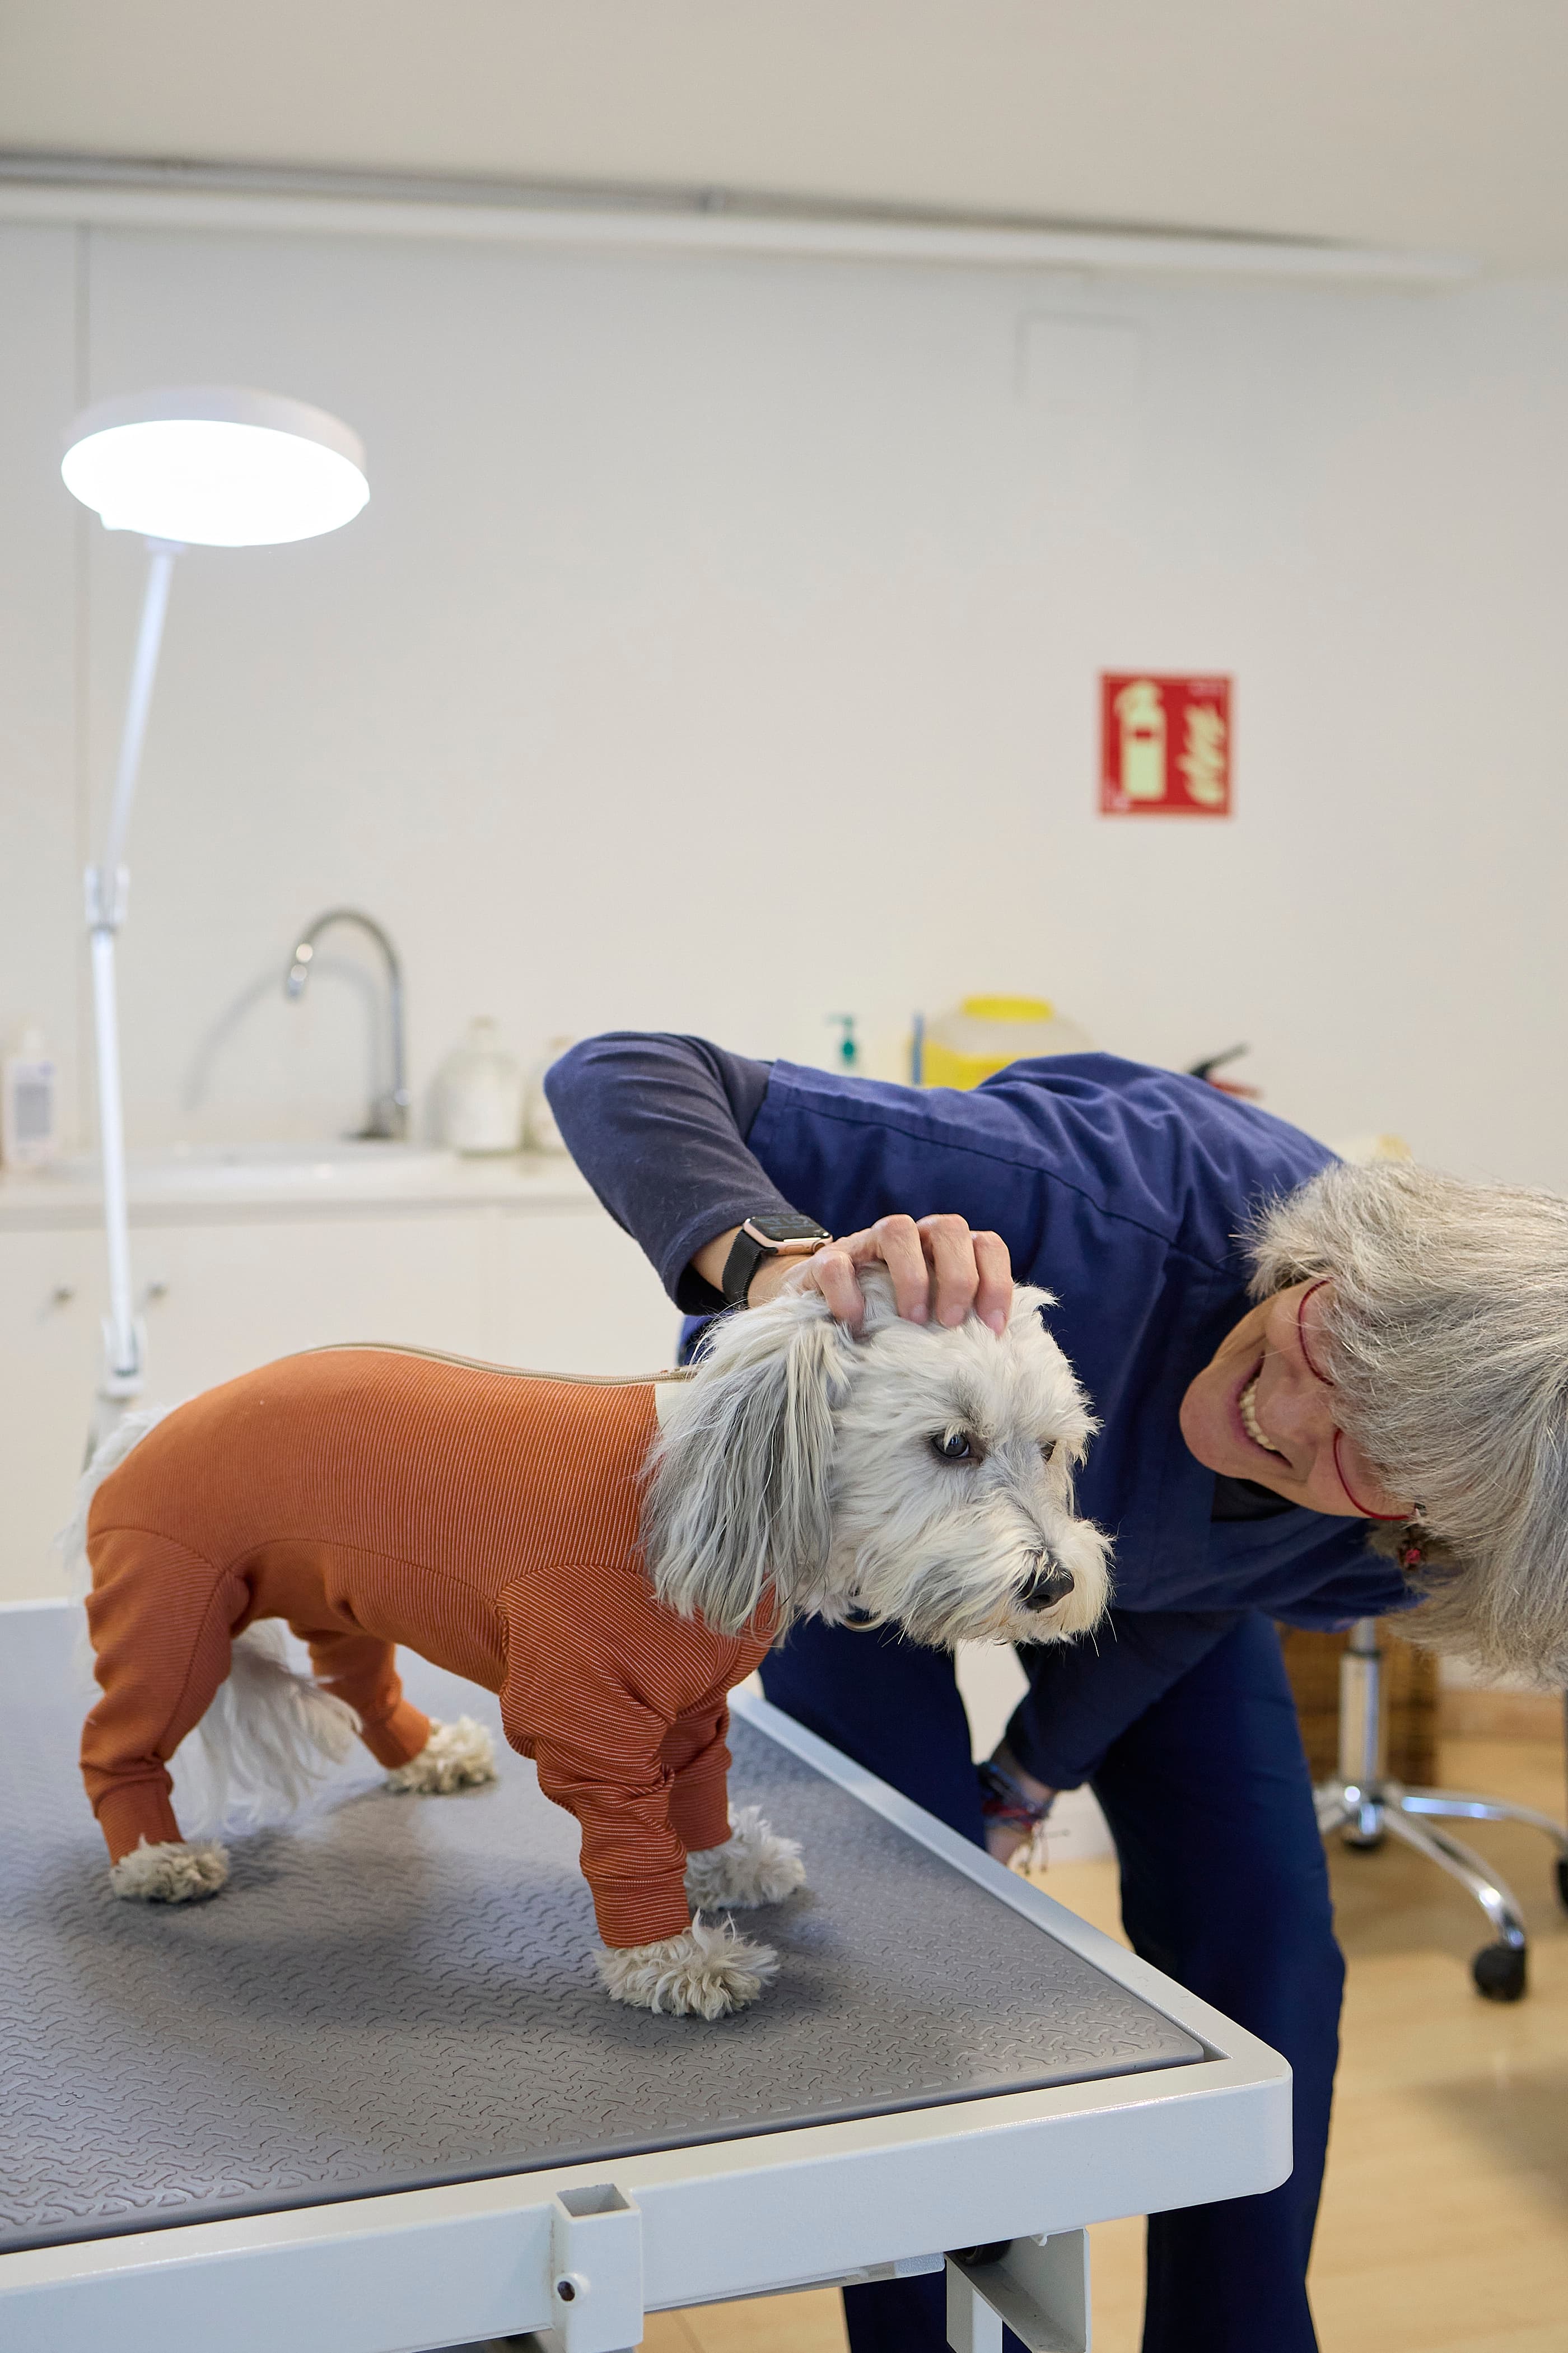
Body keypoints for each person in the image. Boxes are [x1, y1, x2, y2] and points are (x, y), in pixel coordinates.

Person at [545, 1035, 1568, 2353]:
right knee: (899, 1922)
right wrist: (779, 1267)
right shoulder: (1078, 1200)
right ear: (1325, 1271)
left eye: (1370, 1455)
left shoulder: (1416, 1540)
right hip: (874, 1514)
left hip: (1127, 1571)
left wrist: (1025, 1774)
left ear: (1431, 1528)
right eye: (1331, 1346)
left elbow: (1202, 1572)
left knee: (1264, 1931)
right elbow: (621, 1071)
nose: (1289, 1417)